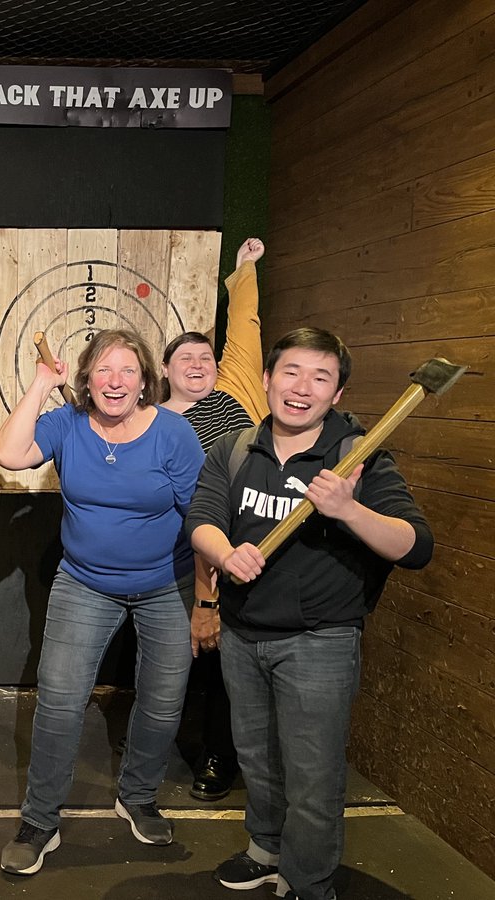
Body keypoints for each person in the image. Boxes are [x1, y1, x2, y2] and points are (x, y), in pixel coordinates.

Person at [186, 327, 433, 900]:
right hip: (244, 635)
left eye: (321, 377)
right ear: (268, 379)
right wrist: (225, 552)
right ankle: (265, 848)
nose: (302, 388)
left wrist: (349, 510)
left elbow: (416, 546)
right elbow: (200, 516)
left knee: (313, 777)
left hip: (319, 643)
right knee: (258, 758)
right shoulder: (237, 446)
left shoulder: (358, 455)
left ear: (338, 393)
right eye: (291, 372)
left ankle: (308, 881)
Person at [0, 329, 204, 875]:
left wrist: (207, 600)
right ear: (85, 378)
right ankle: (41, 818)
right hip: (85, 581)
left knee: (162, 701)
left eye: (128, 371)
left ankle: (137, 795)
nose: (115, 381)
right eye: (103, 370)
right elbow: (9, 453)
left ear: (144, 383)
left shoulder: (173, 434)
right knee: (61, 701)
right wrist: (42, 383)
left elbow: (203, 521)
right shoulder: (66, 424)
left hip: (168, 583)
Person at [160, 237, 266, 801]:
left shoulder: (233, 402)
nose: (199, 366)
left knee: (223, 654)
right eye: (186, 359)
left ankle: (220, 755)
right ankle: (177, 739)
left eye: (206, 359)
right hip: (172, 556)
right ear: (166, 369)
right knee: (180, 658)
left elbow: (244, 336)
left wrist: (244, 271)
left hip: (232, 544)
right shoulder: (149, 418)